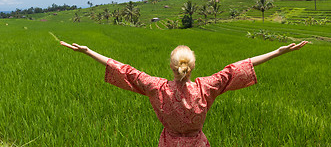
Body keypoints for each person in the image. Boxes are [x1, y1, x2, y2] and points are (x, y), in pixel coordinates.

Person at [60, 40, 308, 146]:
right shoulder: (206, 86)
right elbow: (240, 67)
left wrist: (88, 51)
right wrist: (277, 52)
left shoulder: (156, 86)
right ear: (193, 66)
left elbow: (122, 69)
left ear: (172, 66)